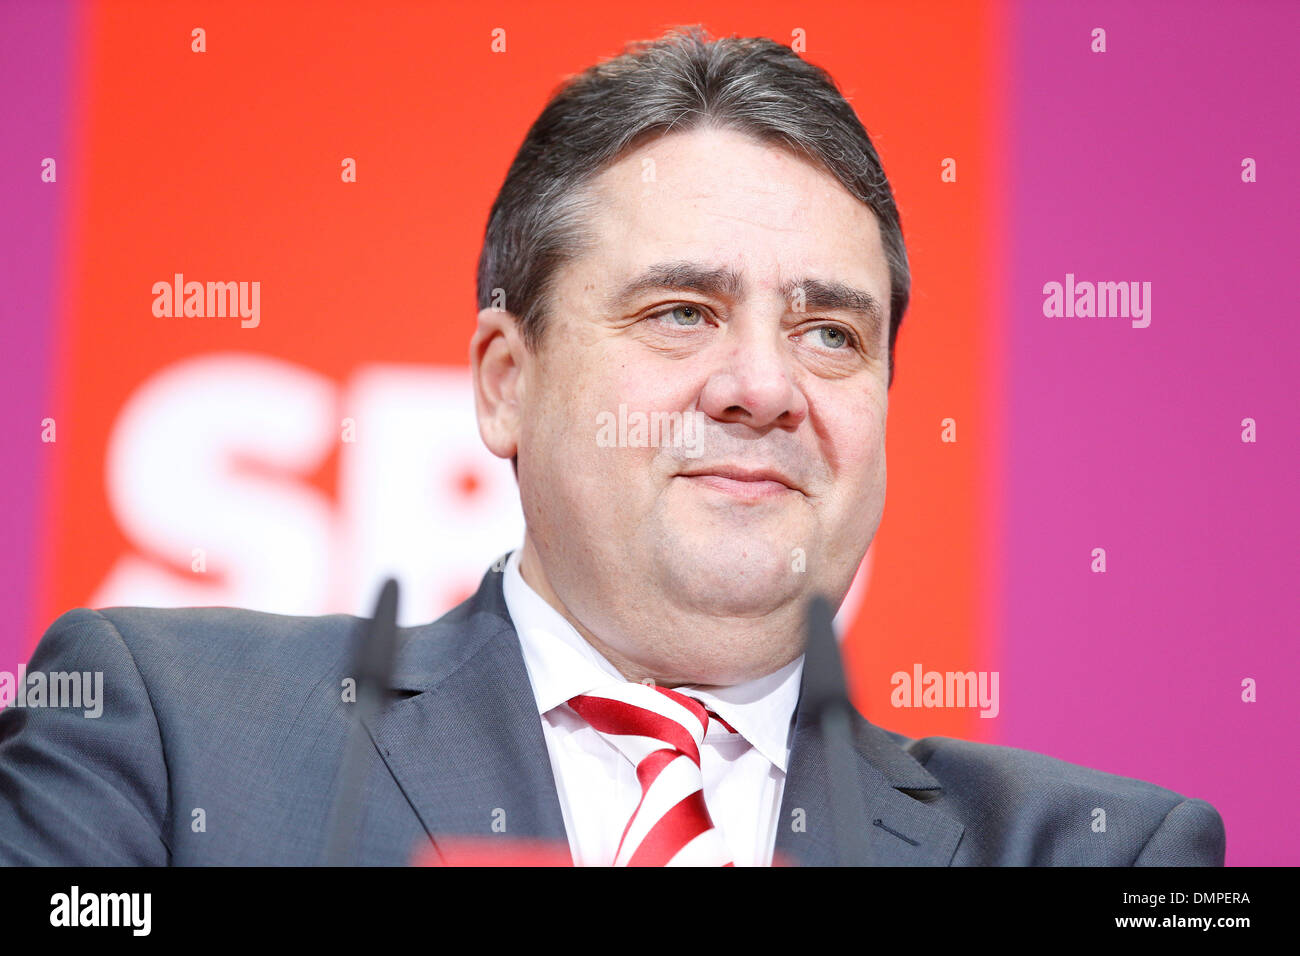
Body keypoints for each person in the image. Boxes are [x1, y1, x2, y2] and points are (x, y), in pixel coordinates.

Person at [0, 26, 1223, 866]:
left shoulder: (1096, 847)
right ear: (505, 383)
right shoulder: (169, 730)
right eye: (681, 311)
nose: (763, 384)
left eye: (830, 331)